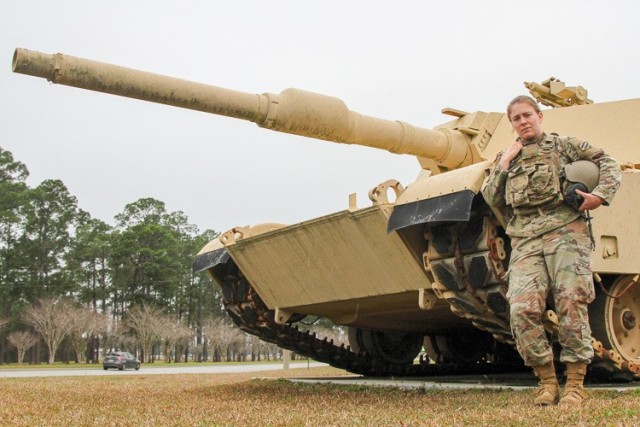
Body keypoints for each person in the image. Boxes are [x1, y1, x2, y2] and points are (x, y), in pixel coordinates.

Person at [481, 95, 621, 406]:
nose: (523, 121)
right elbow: (490, 196)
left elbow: (608, 162)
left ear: (539, 116)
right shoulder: (508, 157)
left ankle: (574, 383)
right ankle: (546, 381)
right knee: (521, 309)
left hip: (566, 233)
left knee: (571, 302)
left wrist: (600, 196)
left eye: (527, 115)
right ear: (512, 124)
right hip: (526, 240)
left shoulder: (564, 146)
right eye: (516, 118)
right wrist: (504, 163)